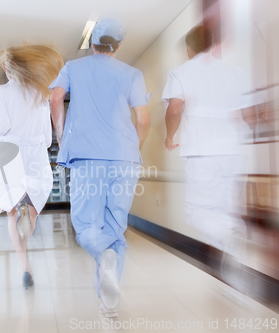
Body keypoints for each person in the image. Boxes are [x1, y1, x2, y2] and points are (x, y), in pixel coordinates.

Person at [49, 18, 150, 317]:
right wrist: (133, 147)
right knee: (116, 227)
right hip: (125, 159)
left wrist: (61, 135)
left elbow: (56, 98)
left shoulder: (73, 67)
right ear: (118, 46)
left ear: (92, 43)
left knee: (86, 226)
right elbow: (143, 119)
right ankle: (109, 304)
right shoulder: (133, 74)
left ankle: (104, 259)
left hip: (88, 157)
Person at [163, 26, 257, 288]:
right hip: (235, 151)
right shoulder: (237, 73)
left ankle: (230, 240)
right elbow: (250, 116)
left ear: (189, 48)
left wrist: (170, 137)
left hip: (203, 150)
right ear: (213, 45)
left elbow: (174, 110)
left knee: (198, 212)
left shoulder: (182, 72)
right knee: (227, 210)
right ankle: (231, 272)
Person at [0, 44, 63, 289]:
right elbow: (46, 135)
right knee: (33, 205)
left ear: (7, 70)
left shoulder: (1, 93)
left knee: (11, 211)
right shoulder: (40, 93)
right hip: (35, 154)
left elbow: (1, 125)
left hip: (9, 155)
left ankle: (24, 265)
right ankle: (28, 216)